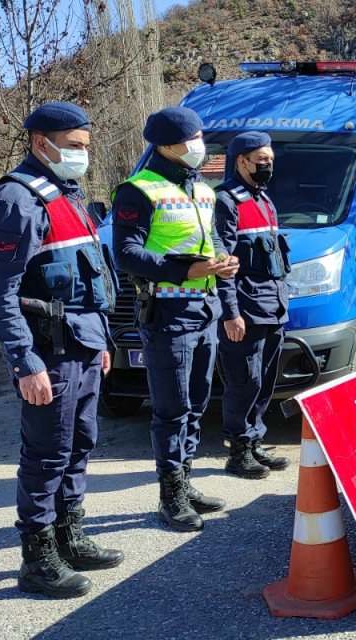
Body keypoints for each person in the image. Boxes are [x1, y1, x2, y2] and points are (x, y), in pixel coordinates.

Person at [0, 101, 124, 598]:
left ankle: (69, 537)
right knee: (46, 455)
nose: (83, 155)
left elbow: (91, 280)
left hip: (83, 349)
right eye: (75, 147)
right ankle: (37, 559)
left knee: (78, 448)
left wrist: (101, 342)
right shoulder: (16, 201)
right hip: (49, 353)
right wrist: (25, 362)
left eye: (85, 146)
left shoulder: (69, 196)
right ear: (42, 144)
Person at [112, 106, 239, 532]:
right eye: (192, 138)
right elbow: (126, 253)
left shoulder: (203, 189)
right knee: (171, 409)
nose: (199, 145)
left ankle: (186, 480)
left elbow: (213, 237)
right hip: (167, 312)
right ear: (166, 145)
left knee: (198, 402)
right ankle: (171, 496)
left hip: (205, 311)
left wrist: (223, 261)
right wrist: (184, 270)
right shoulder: (137, 190)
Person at [214, 131, 292, 479]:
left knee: (264, 381)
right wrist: (230, 312)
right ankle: (238, 450)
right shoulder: (226, 201)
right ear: (241, 161)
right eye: (261, 160)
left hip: (273, 307)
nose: (268, 165)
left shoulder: (264, 200)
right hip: (245, 310)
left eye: (271, 160)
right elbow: (223, 263)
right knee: (243, 381)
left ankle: (255, 439)